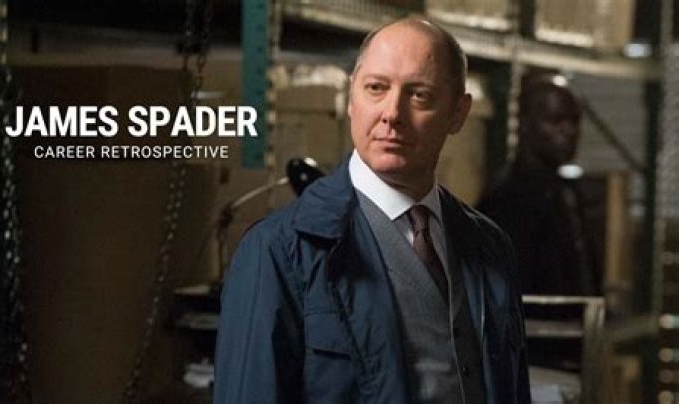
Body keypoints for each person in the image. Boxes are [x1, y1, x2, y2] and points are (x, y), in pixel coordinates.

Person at [214, 18, 530, 404]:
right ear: (352, 99)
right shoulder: (280, 251)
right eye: (376, 88)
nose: (392, 113)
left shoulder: (490, 247)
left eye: (419, 95)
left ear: (458, 113)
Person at [478, 75, 601, 297]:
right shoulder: (506, 200)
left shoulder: (567, 193)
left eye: (574, 121)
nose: (569, 131)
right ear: (525, 124)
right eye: (555, 120)